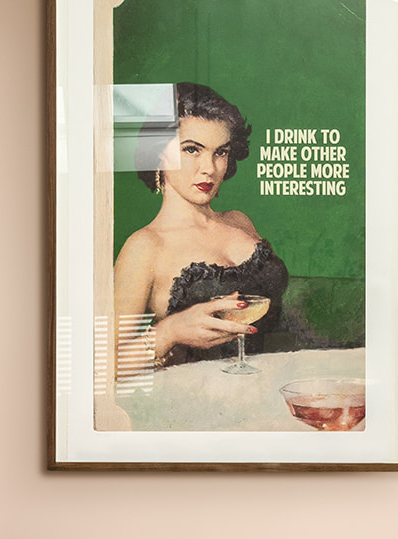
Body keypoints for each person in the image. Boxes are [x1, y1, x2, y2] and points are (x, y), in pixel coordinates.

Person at [111, 82, 289, 376]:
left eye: (221, 152)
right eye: (192, 149)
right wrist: (170, 331)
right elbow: (100, 366)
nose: (209, 168)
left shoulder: (239, 220)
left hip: (273, 381)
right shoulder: (145, 246)